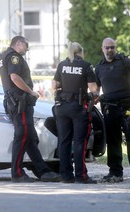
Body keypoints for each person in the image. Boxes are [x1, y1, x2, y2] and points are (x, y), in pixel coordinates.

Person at [0, 35, 61, 183]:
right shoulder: (14, 57)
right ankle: (17, 173)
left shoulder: (5, 56)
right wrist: (30, 91)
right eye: (26, 46)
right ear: (19, 43)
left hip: (17, 102)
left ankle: (43, 172)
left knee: (30, 137)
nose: (27, 49)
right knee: (22, 135)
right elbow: (14, 77)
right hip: (20, 102)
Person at [94, 37, 130, 182]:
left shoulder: (124, 61)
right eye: (107, 47)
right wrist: (94, 97)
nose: (110, 50)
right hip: (110, 108)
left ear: (116, 48)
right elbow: (96, 89)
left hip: (127, 106)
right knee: (113, 141)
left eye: (112, 47)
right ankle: (115, 172)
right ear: (102, 49)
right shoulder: (99, 67)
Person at [52, 42, 99, 184]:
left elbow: (54, 85)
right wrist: (96, 93)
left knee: (64, 141)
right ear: (81, 52)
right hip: (78, 108)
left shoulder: (62, 65)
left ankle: (66, 175)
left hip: (62, 107)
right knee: (79, 141)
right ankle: (81, 176)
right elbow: (93, 89)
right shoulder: (86, 66)